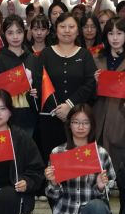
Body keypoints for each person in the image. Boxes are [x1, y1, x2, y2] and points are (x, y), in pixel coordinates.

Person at [45, 104, 114, 214]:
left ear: (92, 125)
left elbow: (109, 190)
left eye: (85, 122)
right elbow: (52, 195)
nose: (81, 127)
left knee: (94, 207)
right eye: (76, 122)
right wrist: (53, 182)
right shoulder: (58, 153)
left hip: (93, 211)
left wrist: (100, 186)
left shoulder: (100, 153)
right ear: (69, 125)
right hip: (66, 212)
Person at [37, 13, 97, 162]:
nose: (67, 30)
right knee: (51, 161)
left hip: (77, 119)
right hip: (50, 117)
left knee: (76, 160)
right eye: (62, 26)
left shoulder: (85, 55)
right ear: (56, 29)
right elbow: (39, 83)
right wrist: (58, 109)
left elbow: (90, 83)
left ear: (78, 31)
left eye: (71, 27)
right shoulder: (46, 54)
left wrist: (70, 105)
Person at [93, 17, 125, 169]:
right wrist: (94, 83)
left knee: (119, 165)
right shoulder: (97, 59)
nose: (115, 38)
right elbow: (87, 93)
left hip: (121, 118)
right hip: (98, 117)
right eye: (111, 33)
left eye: (119, 33)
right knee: (97, 165)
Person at [0, 15, 39, 138]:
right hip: (4, 119)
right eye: (10, 33)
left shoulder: (33, 59)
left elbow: (39, 86)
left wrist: (37, 93)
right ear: (4, 34)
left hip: (28, 117)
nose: (15, 37)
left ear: (24, 32)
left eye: (19, 32)